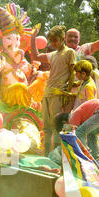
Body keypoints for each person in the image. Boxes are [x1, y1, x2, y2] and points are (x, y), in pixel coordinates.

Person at [31, 25, 76, 155]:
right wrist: (33, 37)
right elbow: (35, 56)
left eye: (55, 40)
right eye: (51, 41)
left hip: (59, 93)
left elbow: (72, 72)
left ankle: (56, 155)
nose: (53, 43)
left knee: (57, 126)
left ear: (62, 39)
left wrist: (67, 92)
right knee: (46, 127)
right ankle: (46, 155)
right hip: (47, 93)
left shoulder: (69, 52)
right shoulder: (53, 54)